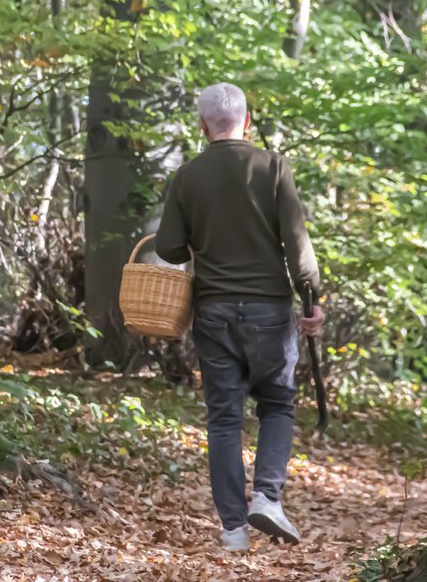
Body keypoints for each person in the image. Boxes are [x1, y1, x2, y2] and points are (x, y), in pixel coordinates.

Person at [156, 82, 324, 552]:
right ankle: (267, 496)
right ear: (247, 121)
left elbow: (168, 246)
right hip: (270, 310)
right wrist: (311, 299)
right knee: (277, 405)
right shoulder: (272, 167)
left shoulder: (187, 177)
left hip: (213, 312)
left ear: (202, 125)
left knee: (224, 420)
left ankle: (233, 530)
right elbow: (298, 245)